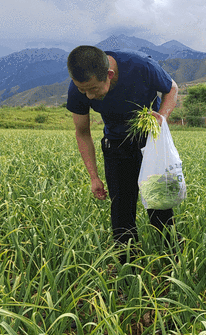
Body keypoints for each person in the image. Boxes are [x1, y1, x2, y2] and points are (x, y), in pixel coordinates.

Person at [66, 45, 179, 260]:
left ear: (108, 75)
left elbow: (171, 88)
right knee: (121, 210)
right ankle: (127, 268)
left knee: (159, 204)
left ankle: (174, 259)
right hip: (116, 144)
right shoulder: (79, 87)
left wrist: (161, 119)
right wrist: (94, 177)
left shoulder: (140, 65)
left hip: (150, 141)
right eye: (83, 91)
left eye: (93, 89)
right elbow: (82, 133)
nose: (88, 95)